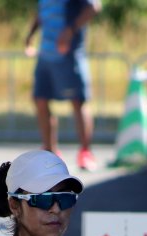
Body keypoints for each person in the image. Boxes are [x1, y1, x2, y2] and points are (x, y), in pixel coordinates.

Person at [23, 0, 102, 171]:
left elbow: (94, 7)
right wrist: (31, 33)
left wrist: (70, 30)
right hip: (45, 54)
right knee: (40, 100)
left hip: (69, 54)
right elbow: (43, 12)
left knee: (78, 102)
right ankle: (50, 152)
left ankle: (85, 153)